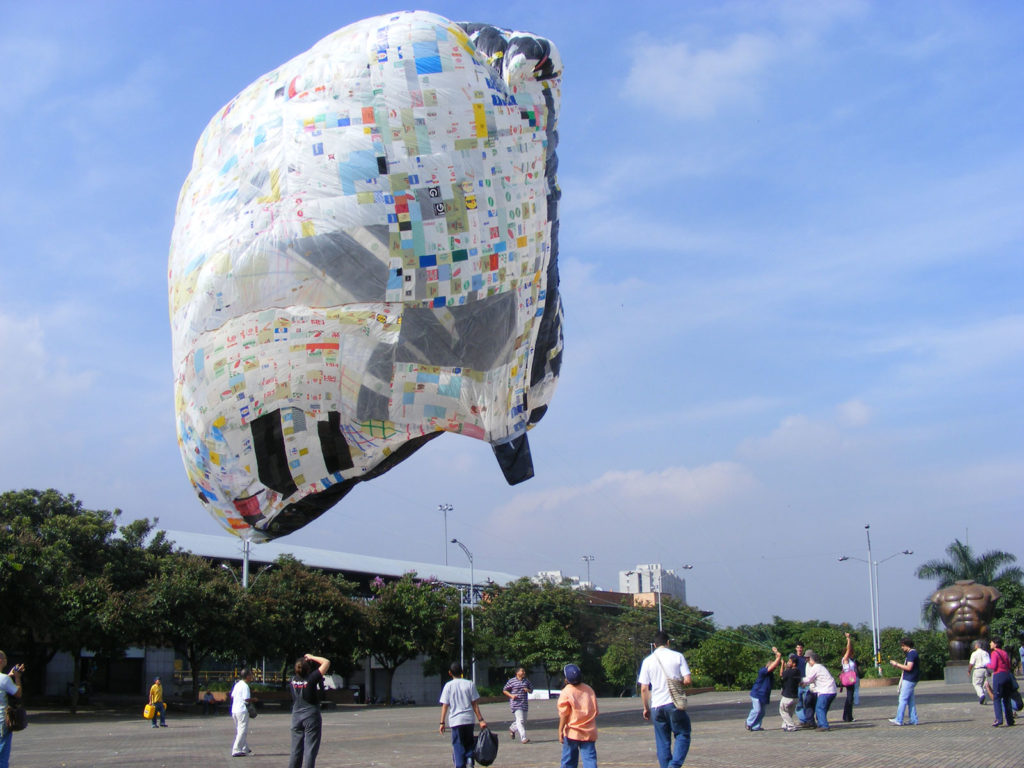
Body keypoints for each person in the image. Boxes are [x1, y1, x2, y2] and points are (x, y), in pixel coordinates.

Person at [638, 630, 692, 768]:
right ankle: (674, 766)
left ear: (655, 645)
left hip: (656, 706)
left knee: (662, 741)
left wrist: (646, 708)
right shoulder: (678, 656)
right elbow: (687, 680)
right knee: (682, 734)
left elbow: (644, 688)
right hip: (673, 703)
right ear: (668, 643)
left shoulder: (647, 661)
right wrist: (677, 681)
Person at [438, 662, 487, 768]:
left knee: (458, 744)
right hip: (468, 719)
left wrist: (442, 722)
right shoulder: (469, 684)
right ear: (462, 672)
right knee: (469, 741)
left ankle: (460, 765)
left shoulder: (448, 686)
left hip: (456, 720)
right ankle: (469, 759)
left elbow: (445, 705)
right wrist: (481, 720)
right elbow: (474, 704)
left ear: (450, 673)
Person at [289, 653, 330, 768]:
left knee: (295, 750)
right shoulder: (311, 679)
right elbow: (326, 662)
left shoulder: (292, 680)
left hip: (296, 716)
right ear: (308, 669)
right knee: (310, 750)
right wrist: (312, 657)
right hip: (311, 716)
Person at [558, 663, 598, 768]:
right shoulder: (589, 690)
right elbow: (595, 711)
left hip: (572, 732)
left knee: (569, 762)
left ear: (566, 679)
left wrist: (560, 730)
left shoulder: (566, 691)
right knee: (590, 760)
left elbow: (564, 714)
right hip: (588, 731)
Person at [745, 647, 782, 731]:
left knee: (762, 712)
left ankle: (755, 726)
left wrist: (777, 655)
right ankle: (748, 722)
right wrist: (778, 656)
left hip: (764, 695)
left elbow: (776, 665)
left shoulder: (770, 674)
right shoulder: (763, 671)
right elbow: (773, 666)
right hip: (757, 694)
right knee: (757, 710)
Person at [800, 651, 837, 731]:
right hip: (831, 690)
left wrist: (800, 681)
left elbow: (809, 679)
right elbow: (812, 680)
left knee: (819, 708)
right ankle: (821, 723)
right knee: (821, 708)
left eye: (807, 659)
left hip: (826, 691)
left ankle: (824, 725)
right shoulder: (820, 667)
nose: (807, 661)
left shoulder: (816, 667)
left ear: (811, 659)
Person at [888, 637, 920, 726]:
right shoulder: (913, 653)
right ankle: (913, 719)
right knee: (910, 700)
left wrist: (896, 664)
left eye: (902, 646)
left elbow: (909, 667)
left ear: (907, 645)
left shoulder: (911, 654)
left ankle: (899, 719)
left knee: (902, 699)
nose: (902, 648)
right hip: (913, 678)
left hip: (909, 678)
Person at [0, 651, 24, 768]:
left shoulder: (4, 679)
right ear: (0, 661)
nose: (6, 660)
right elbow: (18, 693)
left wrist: (10, 676)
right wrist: (17, 678)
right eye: (4, 658)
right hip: (2, 723)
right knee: (2, 757)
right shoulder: (4, 679)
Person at [986, 637, 1015, 727]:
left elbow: (993, 666)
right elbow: (1009, 665)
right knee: (1007, 698)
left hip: (999, 676)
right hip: (1007, 675)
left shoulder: (994, 653)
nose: (990, 644)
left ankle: (999, 719)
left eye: (991, 642)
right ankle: (1010, 720)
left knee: (997, 698)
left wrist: (987, 664)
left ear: (995, 644)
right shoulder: (1004, 653)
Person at [503, 666, 534, 743]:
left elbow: (531, 690)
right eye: (522, 671)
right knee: (520, 720)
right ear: (517, 673)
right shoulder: (512, 681)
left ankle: (512, 728)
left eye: (524, 671)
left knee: (524, 721)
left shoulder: (526, 681)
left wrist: (528, 690)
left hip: (524, 703)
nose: (523, 672)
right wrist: (511, 696)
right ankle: (523, 738)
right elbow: (505, 690)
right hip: (516, 703)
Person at [230, 667, 254, 757]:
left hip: (235, 710)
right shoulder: (245, 686)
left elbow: (232, 696)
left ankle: (244, 748)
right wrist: (254, 699)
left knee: (239, 730)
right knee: (242, 731)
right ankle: (236, 749)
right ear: (247, 676)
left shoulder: (237, 684)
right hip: (242, 710)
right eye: (251, 675)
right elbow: (246, 699)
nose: (252, 677)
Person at [793, 642, 814, 726]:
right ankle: (803, 719)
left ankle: (807, 719)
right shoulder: (793, 658)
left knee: (807, 702)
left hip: (806, 683)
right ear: (796, 648)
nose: (799, 649)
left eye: (801, 647)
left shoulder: (805, 659)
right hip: (797, 683)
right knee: (798, 704)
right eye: (798, 647)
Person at [778, 654, 801, 731]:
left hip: (788, 696)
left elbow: (781, 674)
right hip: (795, 696)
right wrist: (786, 667)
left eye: (790, 661)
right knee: (789, 712)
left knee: (783, 710)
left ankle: (791, 726)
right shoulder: (797, 671)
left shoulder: (789, 672)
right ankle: (785, 724)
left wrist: (782, 665)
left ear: (794, 664)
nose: (788, 662)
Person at [839, 632, 858, 722]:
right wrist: (848, 639)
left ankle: (847, 716)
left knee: (850, 698)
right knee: (850, 698)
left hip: (851, 679)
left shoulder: (849, 659)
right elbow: (848, 649)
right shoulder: (845, 659)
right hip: (849, 679)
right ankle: (848, 717)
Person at [968, 639, 991, 705]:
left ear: (977, 646)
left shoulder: (974, 653)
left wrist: (969, 670)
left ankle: (981, 695)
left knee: (976, 684)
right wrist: (989, 671)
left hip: (978, 669)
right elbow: (988, 662)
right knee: (985, 685)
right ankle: (984, 700)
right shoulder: (985, 653)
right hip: (985, 669)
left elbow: (971, 663)